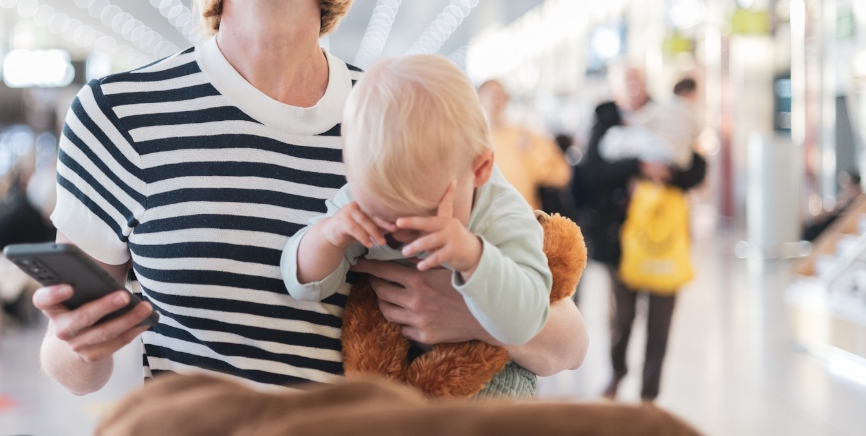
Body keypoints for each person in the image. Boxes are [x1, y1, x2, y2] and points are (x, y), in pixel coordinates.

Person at [35, 0, 587, 395]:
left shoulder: (398, 111)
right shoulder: (122, 114)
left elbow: (568, 344)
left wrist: (472, 310)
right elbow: (69, 363)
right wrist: (79, 344)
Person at [283, 56, 551, 395]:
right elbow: (303, 284)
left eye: (424, 217)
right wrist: (328, 237)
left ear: (480, 169)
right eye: (383, 217)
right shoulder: (359, 201)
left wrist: (473, 257)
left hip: (494, 388)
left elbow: (527, 322)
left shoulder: (503, 215)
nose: (401, 237)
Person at [580, 72, 707, 403]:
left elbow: (697, 167)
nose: (634, 89)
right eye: (627, 83)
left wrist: (669, 172)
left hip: (666, 239)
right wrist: (638, 165)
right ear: (616, 88)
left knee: (660, 323)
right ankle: (617, 373)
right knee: (620, 318)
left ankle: (649, 392)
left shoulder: (669, 115)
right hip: (620, 240)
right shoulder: (605, 122)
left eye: (638, 82)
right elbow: (591, 174)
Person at [477, 80, 572, 211]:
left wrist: (530, 153)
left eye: (499, 95)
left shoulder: (524, 135)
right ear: (479, 99)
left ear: (506, 99)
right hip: (488, 219)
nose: (495, 100)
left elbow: (561, 174)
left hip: (525, 216)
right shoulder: (474, 141)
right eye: (490, 94)